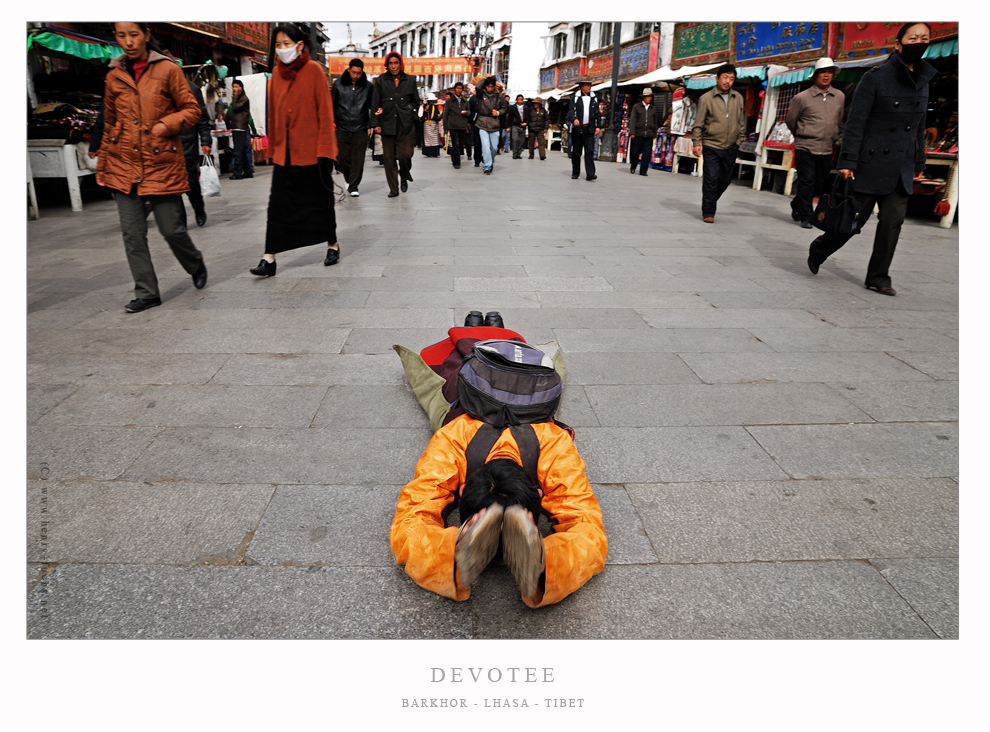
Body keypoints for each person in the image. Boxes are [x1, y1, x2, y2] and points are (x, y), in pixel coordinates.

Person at [390, 314, 607, 607]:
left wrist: (446, 556)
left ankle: (482, 325)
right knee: (481, 334)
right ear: (541, 495)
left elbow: (412, 517)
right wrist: (549, 566)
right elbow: (588, 530)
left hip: (493, 375)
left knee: (470, 337)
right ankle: (489, 325)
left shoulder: (456, 436)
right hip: (501, 373)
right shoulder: (551, 443)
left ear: (463, 489)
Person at [807, 23, 937, 296]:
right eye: (913, 38)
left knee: (892, 222)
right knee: (852, 221)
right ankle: (820, 248)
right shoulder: (876, 77)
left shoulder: (924, 78)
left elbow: (918, 127)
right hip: (870, 163)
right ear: (898, 44)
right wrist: (846, 162)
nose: (919, 42)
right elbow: (856, 122)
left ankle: (878, 277)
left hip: (901, 164)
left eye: (924, 38)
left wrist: (919, 164)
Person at [96, 22, 207, 314]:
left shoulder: (168, 70)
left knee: (171, 229)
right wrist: (104, 163)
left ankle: (194, 262)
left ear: (146, 34)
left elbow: (192, 109)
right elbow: (108, 123)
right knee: (132, 234)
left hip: (160, 162)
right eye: (121, 36)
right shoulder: (113, 76)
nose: (128, 42)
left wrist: (166, 123)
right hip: (123, 163)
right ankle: (147, 292)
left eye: (134, 34)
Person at [249, 24, 339, 277]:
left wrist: (325, 150)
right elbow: (274, 114)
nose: (282, 49)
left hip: (312, 151)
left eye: (287, 44)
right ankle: (269, 258)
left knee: (320, 201)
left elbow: (324, 112)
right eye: (278, 45)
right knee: (277, 204)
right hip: (285, 153)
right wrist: (273, 149)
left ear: (299, 46)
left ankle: (332, 243)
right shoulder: (276, 73)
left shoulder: (314, 71)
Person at [786, 58, 845, 228]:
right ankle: (806, 216)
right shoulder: (802, 98)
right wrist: (802, 134)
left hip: (826, 147)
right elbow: (791, 120)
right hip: (805, 146)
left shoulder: (839, 96)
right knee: (807, 180)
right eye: (822, 72)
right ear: (816, 75)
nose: (826, 75)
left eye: (829, 72)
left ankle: (796, 203)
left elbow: (839, 119)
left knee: (820, 182)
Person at [692, 64, 746, 223]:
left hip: (731, 146)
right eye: (725, 77)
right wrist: (697, 142)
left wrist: (739, 140)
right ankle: (708, 211)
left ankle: (709, 200)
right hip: (711, 145)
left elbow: (740, 122)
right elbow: (698, 123)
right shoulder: (706, 98)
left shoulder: (738, 97)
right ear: (717, 78)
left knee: (725, 180)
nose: (728, 81)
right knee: (711, 178)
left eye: (731, 78)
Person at [371, 51, 418, 197]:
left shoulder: (410, 80)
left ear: (400, 64)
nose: (393, 66)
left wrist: (410, 113)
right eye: (390, 63)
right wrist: (375, 123)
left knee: (406, 155)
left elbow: (415, 101)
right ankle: (394, 188)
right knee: (389, 159)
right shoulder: (381, 80)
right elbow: (375, 103)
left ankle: (404, 175)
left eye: (396, 63)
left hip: (405, 124)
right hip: (387, 123)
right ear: (387, 65)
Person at [331, 58, 373, 197]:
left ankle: (354, 186)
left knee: (358, 160)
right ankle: (349, 179)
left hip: (360, 128)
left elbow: (372, 107)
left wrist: (371, 125)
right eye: (353, 72)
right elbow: (332, 105)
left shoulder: (368, 87)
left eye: (359, 73)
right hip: (342, 127)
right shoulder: (338, 85)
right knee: (340, 158)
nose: (356, 75)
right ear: (349, 70)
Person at [565, 76, 602, 181]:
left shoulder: (594, 98)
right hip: (578, 129)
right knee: (576, 152)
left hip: (589, 129)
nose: (589, 87)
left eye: (590, 84)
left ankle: (590, 174)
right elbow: (571, 111)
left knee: (589, 151)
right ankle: (575, 172)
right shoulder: (575, 98)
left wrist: (598, 126)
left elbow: (597, 114)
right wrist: (574, 119)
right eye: (586, 84)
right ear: (581, 86)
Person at [470, 76, 507, 175]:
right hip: (482, 123)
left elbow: (505, 108)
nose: (490, 88)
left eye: (491, 86)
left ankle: (489, 160)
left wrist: (498, 113)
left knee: (494, 147)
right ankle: (487, 166)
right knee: (485, 146)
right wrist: (486, 78)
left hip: (494, 124)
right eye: (488, 86)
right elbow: (478, 86)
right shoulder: (480, 95)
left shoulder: (499, 96)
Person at [227, 79, 254, 181]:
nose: (234, 89)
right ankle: (248, 172)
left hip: (240, 128)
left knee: (238, 151)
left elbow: (235, 108)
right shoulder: (240, 98)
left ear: (241, 88)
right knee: (242, 151)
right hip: (237, 127)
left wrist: (235, 96)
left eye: (236, 86)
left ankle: (238, 173)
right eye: (233, 86)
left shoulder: (243, 99)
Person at [628, 87, 660, 176]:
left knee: (647, 154)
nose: (649, 98)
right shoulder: (637, 107)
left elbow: (655, 121)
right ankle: (633, 166)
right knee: (635, 152)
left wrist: (654, 133)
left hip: (649, 134)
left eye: (650, 96)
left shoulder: (653, 108)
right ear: (644, 97)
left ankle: (643, 171)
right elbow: (633, 120)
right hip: (638, 133)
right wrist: (632, 132)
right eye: (647, 96)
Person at [442, 82, 470, 169]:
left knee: (461, 145)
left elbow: (469, 112)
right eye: (457, 88)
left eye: (460, 88)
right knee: (456, 144)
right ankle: (457, 162)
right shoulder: (449, 101)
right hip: (453, 126)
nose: (459, 90)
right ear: (454, 89)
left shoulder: (465, 101)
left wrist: (466, 113)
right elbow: (445, 115)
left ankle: (454, 158)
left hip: (462, 126)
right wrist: (445, 127)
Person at [421, 93, 443, 157]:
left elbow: (437, 115)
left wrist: (438, 117)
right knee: (428, 138)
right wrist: (425, 111)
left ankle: (434, 152)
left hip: (434, 123)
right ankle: (428, 152)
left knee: (435, 139)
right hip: (427, 123)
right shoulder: (425, 106)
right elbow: (422, 116)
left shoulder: (435, 107)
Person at [506, 94, 528, 159]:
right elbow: (509, 117)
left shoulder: (526, 107)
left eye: (521, 100)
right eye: (519, 99)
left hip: (523, 126)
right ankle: (514, 153)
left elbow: (529, 117)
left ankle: (519, 153)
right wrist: (507, 126)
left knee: (521, 140)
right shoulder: (513, 107)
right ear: (516, 100)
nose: (520, 101)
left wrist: (526, 123)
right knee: (515, 139)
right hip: (515, 125)